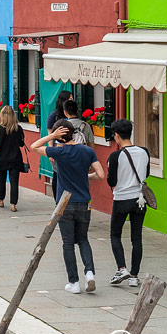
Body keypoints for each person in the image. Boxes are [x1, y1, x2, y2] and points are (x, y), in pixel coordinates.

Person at [30, 120, 105, 294]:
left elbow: (34, 146)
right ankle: (90, 273)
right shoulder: (87, 151)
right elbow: (100, 174)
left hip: (65, 203)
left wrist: (52, 135)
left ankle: (74, 282)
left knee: (68, 243)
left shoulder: (59, 151)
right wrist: (86, 177)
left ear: (60, 136)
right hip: (84, 202)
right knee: (84, 239)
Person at [107, 119, 149, 289]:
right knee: (136, 237)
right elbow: (145, 174)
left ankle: (121, 268)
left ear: (117, 135)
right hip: (139, 199)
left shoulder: (116, 156)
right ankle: (134, 275)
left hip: (122, 198)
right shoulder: (144, 151)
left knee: (115, 234)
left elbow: (112, 180)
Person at [0, 105, 25, 212]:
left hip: (2, 157)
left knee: (1, 179)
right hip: (15, 158)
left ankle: (0, 199)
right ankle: (13, 204)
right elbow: (21, 144)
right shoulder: (18, 128)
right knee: (14, 181)